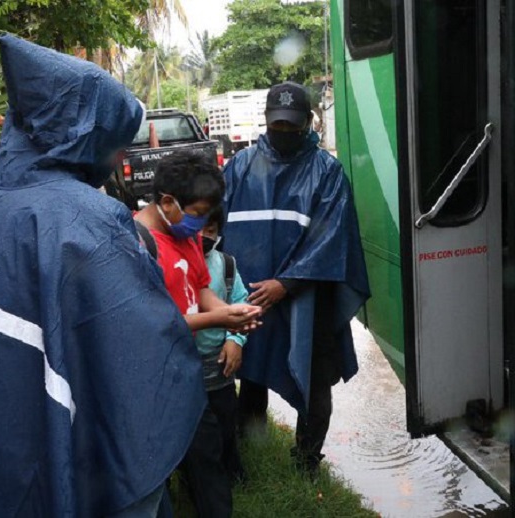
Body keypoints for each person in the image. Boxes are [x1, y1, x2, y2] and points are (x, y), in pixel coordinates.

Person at [0, 35, 205, 517]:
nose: (119, 162)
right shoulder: (83, 218)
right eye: (117, 146)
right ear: (87, 134)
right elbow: (139, 359)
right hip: (36, 442)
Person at [221, 81, 371, 475]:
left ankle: (306, 460)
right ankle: (251, 451)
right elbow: (215, 228)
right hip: (250, 295)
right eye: (277, 126)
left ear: (309, 121)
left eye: (292, 125)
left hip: (308, 299)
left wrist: (286, 283)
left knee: (315, 377)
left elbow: (333, 237)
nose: (284, 133)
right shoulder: (240, 166)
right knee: (251, 376)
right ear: (267, 122)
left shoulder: (327, 172)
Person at [133, 151, 261, 518]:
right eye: (197, 214)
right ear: (167, 202)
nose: (203, 224)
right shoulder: (135, 244)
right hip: (152, 382)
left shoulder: (185, 236)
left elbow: (200, 288)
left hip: (189, 375)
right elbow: (154, 323)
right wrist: (220, 321)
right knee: (154, 475)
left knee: (208, 457)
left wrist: (230, 315)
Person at [196, 207, 249, 485]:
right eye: (197, 227)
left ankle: (232, 472)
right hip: (184, 369)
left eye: (211, 230)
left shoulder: (226, 265)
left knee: (225, 423)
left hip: (219, 368)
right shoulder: (169, 264)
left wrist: (235, 339)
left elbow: (241, 302)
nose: (203, 236)